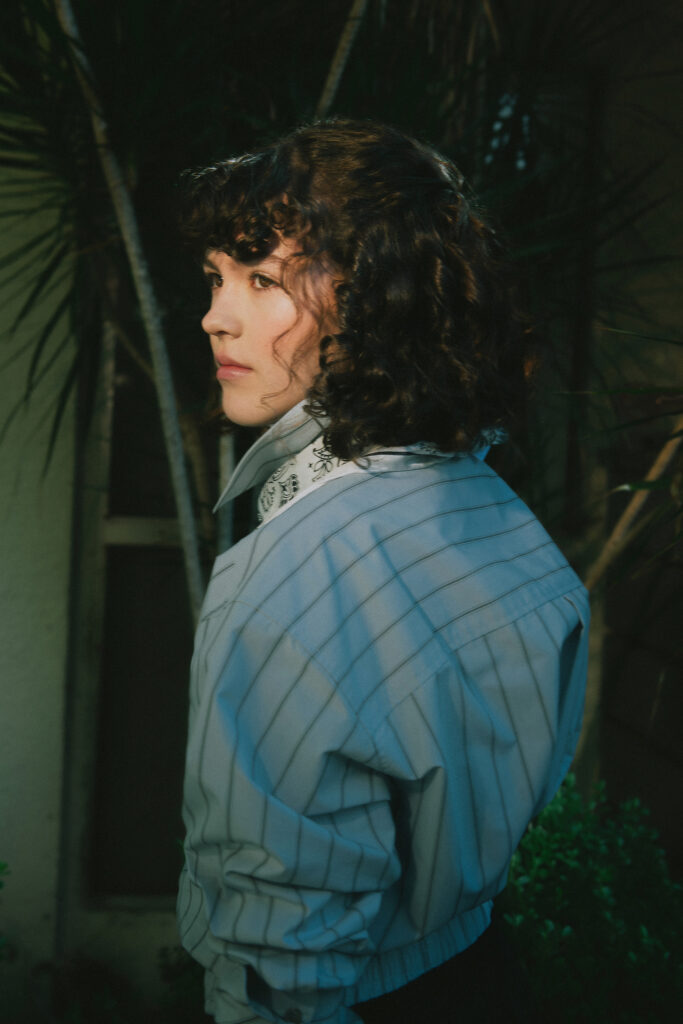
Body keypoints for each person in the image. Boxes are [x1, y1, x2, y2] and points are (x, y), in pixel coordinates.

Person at [177, 119, 589, 1024]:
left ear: (376, 297)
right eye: (215, 277)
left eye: (262, 280)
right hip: (481, 972)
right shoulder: (492, 509)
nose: (215, 316)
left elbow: (280, 975)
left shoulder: (292, 573)